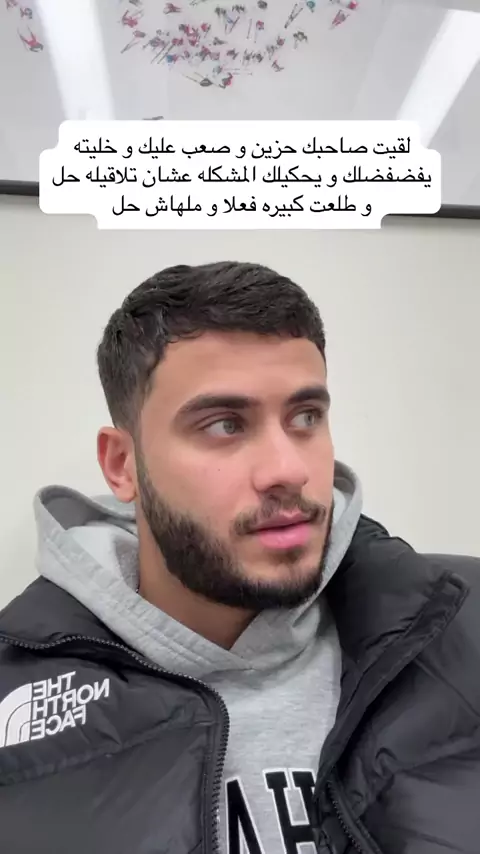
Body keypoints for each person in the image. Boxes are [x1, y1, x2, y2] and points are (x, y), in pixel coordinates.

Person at [0, 261, 479, 854]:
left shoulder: (464, 622)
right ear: (123, 465)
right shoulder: (14, 696)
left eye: (306, 417)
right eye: (225, 425)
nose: (288, 470)